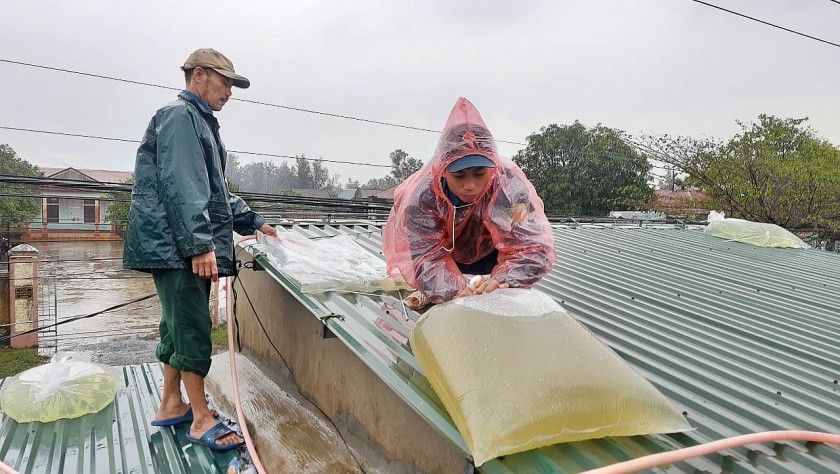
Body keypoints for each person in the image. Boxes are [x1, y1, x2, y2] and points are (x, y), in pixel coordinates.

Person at [123, 48, 277, 450]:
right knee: (192, 327)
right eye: (225, 82)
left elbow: (215, 192)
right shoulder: (181, 117)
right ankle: (200, 420)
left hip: (175, 245)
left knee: (176, 325)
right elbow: (183, 184)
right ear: (200, 76)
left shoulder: (198, 122)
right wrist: (198, 245)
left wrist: (255, 221)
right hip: (179, 247)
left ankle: (173, 404)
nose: (230, 91)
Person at [383, 97, 556, 305]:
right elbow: (425, 257)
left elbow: (534, 246)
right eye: (460, 175)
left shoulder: (510, 190)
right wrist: (452, 291)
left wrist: (503, 281)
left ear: (491, 168)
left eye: (479, 173)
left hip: (494, 259)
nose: (470, 185)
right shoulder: (421, 199)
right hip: (446, 259)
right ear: (442, 170)